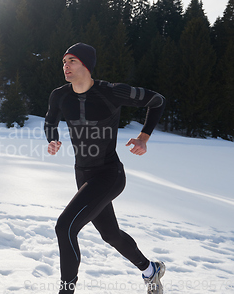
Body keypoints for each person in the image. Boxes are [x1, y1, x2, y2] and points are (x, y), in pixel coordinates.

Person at [44, 43, 166, 294]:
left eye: (72, 60)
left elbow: (157, 101)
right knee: (110, 235)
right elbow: (50, 120)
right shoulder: (59, 95)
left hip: (109, 174)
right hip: (83, 174)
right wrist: (52, 138)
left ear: (86, 65)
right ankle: (150, 270)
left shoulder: (111, 92)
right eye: (63, 61)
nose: (65, 65)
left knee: (65, 226)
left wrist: (144, 136)